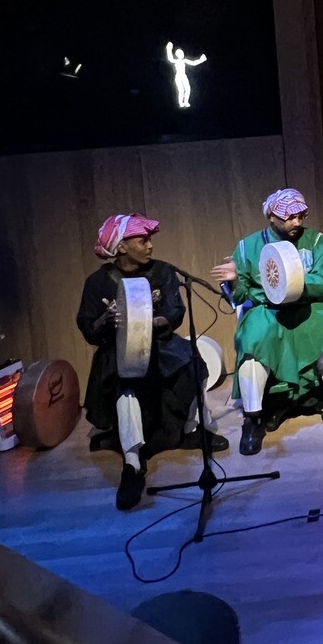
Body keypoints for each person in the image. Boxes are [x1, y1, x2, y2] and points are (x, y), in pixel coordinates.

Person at [77, 214, 227, 511]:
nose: (150, 246)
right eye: (142, 240)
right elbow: (88, 327)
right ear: (121, 247)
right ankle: (132, 463)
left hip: (160, 343)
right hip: (117, 349)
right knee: (126, 384)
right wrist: (105, 321)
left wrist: (155, 321)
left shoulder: (163, 272)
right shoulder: (97, 282)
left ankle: (191, 430)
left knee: (194, 363)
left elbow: (175, 310)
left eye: (149, 240)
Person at [212, 189, 323, 456]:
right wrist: (233, 281)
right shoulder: (248, 246)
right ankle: (253, 419)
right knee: (253, 348)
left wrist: (293, 283)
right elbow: (240, 295)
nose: (296, 222)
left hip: (306, 307)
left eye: (301, 216)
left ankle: (319, 389)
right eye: (289, 217)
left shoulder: (315, 241)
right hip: (266, 310)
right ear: (272, 217)